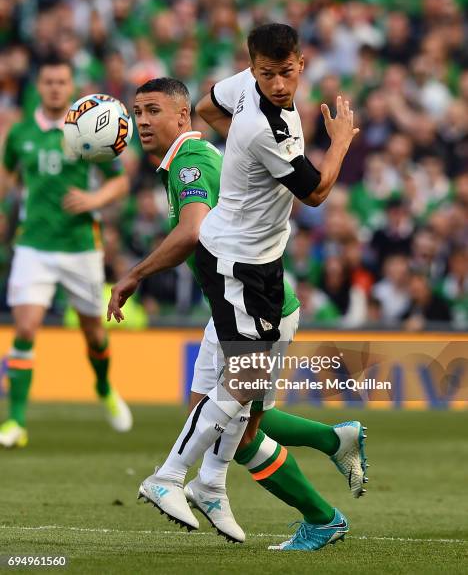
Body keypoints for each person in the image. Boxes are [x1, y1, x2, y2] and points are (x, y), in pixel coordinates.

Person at [107, 75, 367, 548]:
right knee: (221, 417)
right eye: (137, 111)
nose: (142, 121)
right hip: (230, 301)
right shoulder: (190, 158)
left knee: (241, 425)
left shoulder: (190, 162)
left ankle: (318, 511)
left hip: (258, 301)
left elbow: (193, 232)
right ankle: (224, 481)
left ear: (182, 115)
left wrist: (133, 275)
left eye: (153, 111)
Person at [0, 57, 132, 448]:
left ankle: (104, 387)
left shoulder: (86, 129)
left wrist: (94, 199)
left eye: (62, 81)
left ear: (71, 85)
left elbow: (119, 182)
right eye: (48, 81)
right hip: (33, 245)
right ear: (38, 86)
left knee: (93, 333)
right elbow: (7, 177)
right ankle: (16, 422)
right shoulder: (20, 132)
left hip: (80, 247)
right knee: (25, 328)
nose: (55, 88)